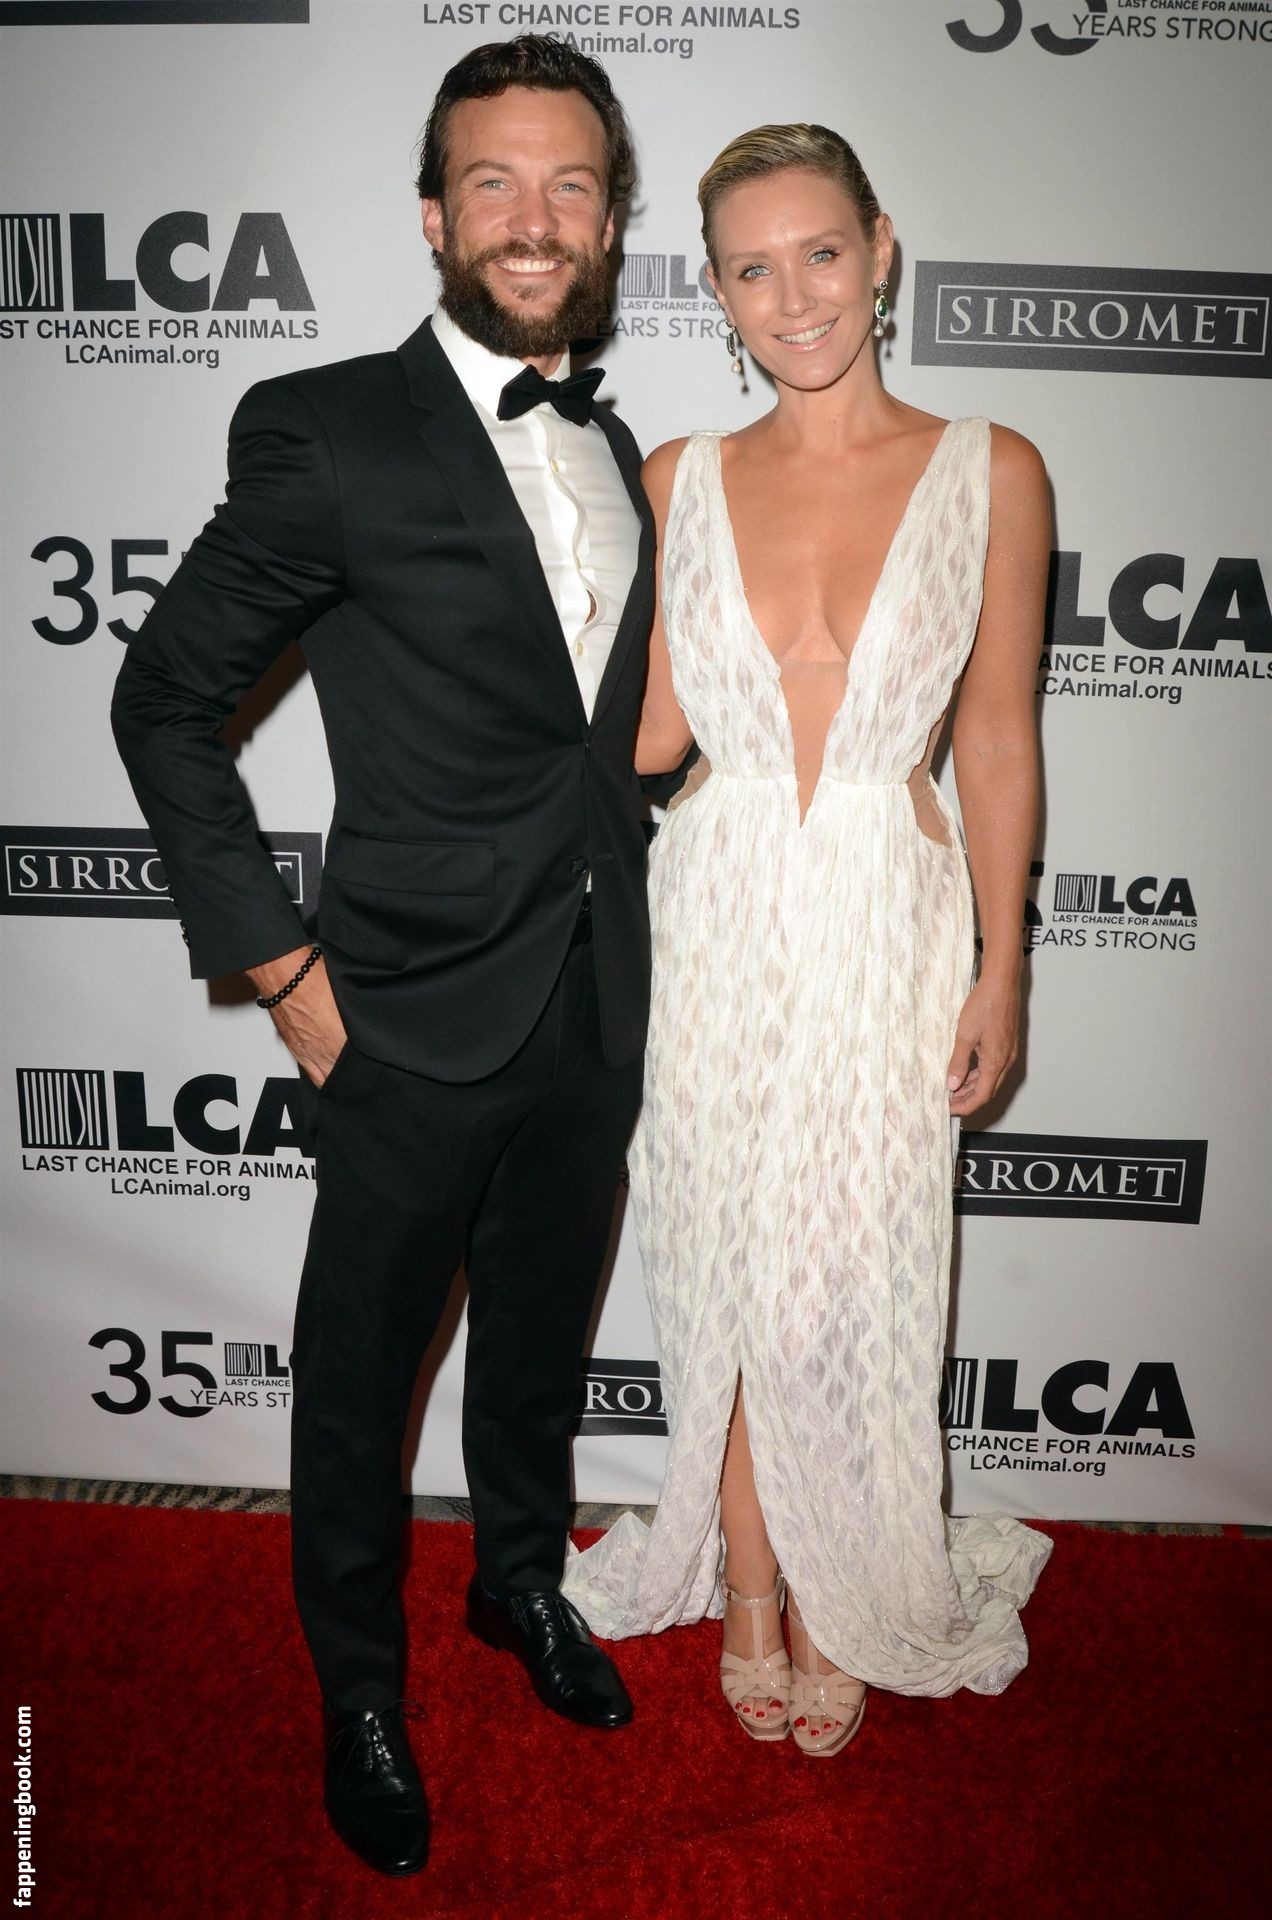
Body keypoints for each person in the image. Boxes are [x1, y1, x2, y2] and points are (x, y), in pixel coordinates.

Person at [112, 36, 663, 1877]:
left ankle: (518, 1581)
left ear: (611, 220)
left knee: (540, 1336)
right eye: (494, 183)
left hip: (595, 993)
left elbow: (598, 742)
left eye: (570, 184)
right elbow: (163, 702)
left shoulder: (622, 449)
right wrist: (282, 974)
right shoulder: (330, 428)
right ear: (434, 216)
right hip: (404, 1011)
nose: (533, 218)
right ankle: (360, 1687)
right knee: (359, 1381)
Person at [562, 124, 1053, 1752]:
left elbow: (997, 738)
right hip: (710, 909)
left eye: (822, 253)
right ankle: (757, 1590)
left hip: (885, 910)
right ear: (715, 292)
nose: (795, 298)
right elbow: (646, 741)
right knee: (721, 1267)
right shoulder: (677, 478)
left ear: (881, 249)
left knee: (837, 1280)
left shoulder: (992, 469)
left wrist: (1000, 964)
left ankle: (851, 1585)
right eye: (753, 270)